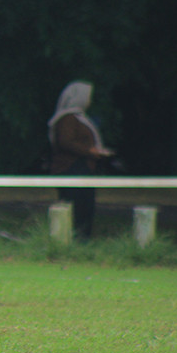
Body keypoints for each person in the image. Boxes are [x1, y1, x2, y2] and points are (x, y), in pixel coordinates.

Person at [48, 80, 113, 240]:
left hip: (82, 168)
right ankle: (74, 240)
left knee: (85, 207)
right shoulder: (67, 119)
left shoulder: (79, 118)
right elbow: (65, 142)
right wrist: (90, 151)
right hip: (72, 168)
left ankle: (83, 240)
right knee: (76, 208)